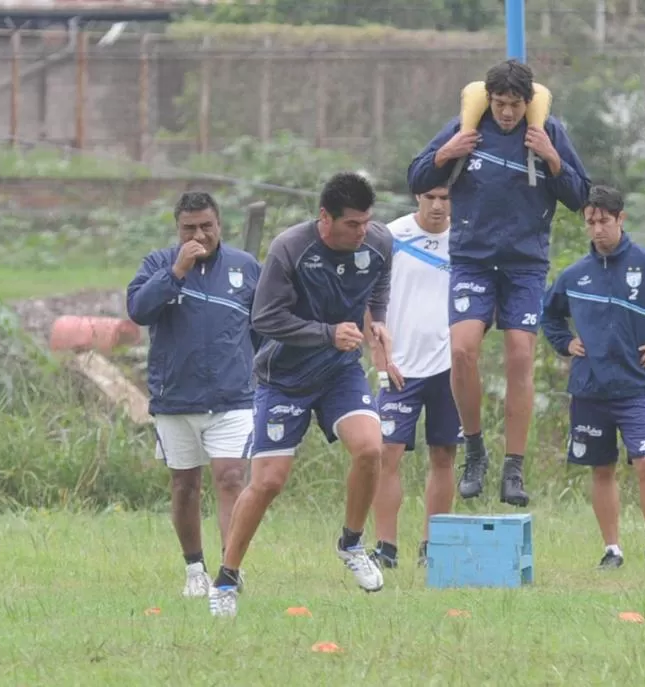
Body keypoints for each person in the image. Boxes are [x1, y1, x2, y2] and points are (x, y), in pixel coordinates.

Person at [208, 172, 393, 617]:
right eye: (352, 224)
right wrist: (327, 333)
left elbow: (380, 279)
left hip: (339, 373)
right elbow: (266, 318)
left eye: (366, 221)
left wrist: (379, 318)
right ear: (324, 218)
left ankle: (351, 543)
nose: (362, 231)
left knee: (371, 449)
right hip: (285, 377)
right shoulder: (290, 248)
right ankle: (226, 580)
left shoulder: (378, 243)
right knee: (269, 481)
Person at [407, 59, 591, 507]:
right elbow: (416, 176)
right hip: (472, 260)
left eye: (514, 105)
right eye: (500, 104)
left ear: (528, 103)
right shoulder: (465, 126)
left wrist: (550, 156)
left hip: (524, 265)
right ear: (489, 100)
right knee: (463, 350)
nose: (506, 113)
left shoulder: (548, 131)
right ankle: (475, 451)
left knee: (519, 356)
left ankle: (514, 467)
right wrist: (446, 152)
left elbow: (580, 196)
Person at [540, 186, 645, 572]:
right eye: (590, 222)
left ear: (621, 220)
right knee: (602, 468)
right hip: (590, 387)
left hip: (637, 386)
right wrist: (565, 343)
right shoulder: (575, 275)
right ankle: (612, 549)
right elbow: (548, 313)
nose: (597, 229)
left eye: (604, 221)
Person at [126, 191, 261, 598]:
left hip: (232, 398)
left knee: (232, 478)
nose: (199, 234)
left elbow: (263, 328)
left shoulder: (246, 267)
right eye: (190, 228)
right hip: (175, 399)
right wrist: (176, 272)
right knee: (185, 486)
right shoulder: (157, 264)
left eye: (206, 226)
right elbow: (139, 310)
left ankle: (229, 573)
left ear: (219, 225)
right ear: (177, 229)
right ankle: (194, 569)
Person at [365, 185, 462, 569]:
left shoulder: (466, 240)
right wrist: (377, 349)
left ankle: (433, 548)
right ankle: (385, 548)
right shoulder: (391, 237)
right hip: (399, 365)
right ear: (418, 197)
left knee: (444, 454)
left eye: (446, 197)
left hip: (449, 368)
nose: (438, 205)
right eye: (431, 197)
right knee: (385, 454)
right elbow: (368, 298)